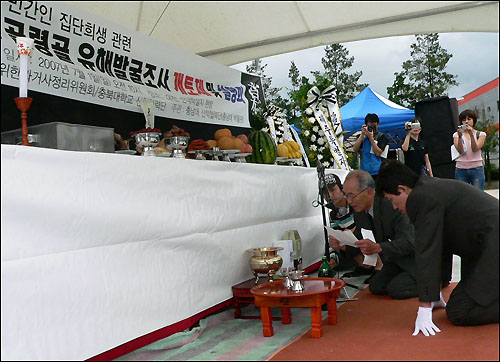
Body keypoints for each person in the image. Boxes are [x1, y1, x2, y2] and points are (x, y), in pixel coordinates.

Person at [376, 159, 498, 336]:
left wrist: (424, 307)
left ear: (402, 189)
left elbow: (427, 251)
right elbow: (441, 244)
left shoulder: (421, 198)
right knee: (463, 302)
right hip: (483, 248)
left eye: (392, 200)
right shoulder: (428, 188)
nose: (394, 207)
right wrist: (435, 293)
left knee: (459, 311)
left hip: (492, 249)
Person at [329, 170, 417, 299]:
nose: (349, 201)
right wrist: (343, 244)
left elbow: (410, 241)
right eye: (346, 195)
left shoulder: (391, 205)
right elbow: (360, 238)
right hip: (395, 260)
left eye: (352, 195)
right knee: (376, 285)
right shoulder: (360, 210)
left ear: (369, 191)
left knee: (397, 289)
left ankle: (433, 282)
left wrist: (378, 247)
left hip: (417, 259)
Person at [322, 173, 359, 271]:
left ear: (342, 189)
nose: (329, 195)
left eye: (333, 190)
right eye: (326, 192)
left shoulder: (355, 204)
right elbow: (336, 240)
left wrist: (350, 232)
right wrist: (333, 259)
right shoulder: (333, 215)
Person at [453, 109, 487, 190]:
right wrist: (460, 136)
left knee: (478, 195)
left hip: (477, 168)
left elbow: (475, 149)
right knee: (461, 195)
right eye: (464, 120)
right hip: (461, 168)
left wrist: (471, 134)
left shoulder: (481, 134)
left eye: (469, 119)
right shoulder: (456, 135)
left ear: (473, 120)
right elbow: (460, 151)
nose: (466, 122)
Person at [353, 113, 389, 181]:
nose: (371, 127)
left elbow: (378, 153)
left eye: (373, 124)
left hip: (377, 172)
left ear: (377, 124)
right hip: (364, 171)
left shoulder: (381, 137)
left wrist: (371, 138)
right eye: (369, 124)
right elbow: (355, 149)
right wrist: (362, 134)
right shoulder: (363, 138)